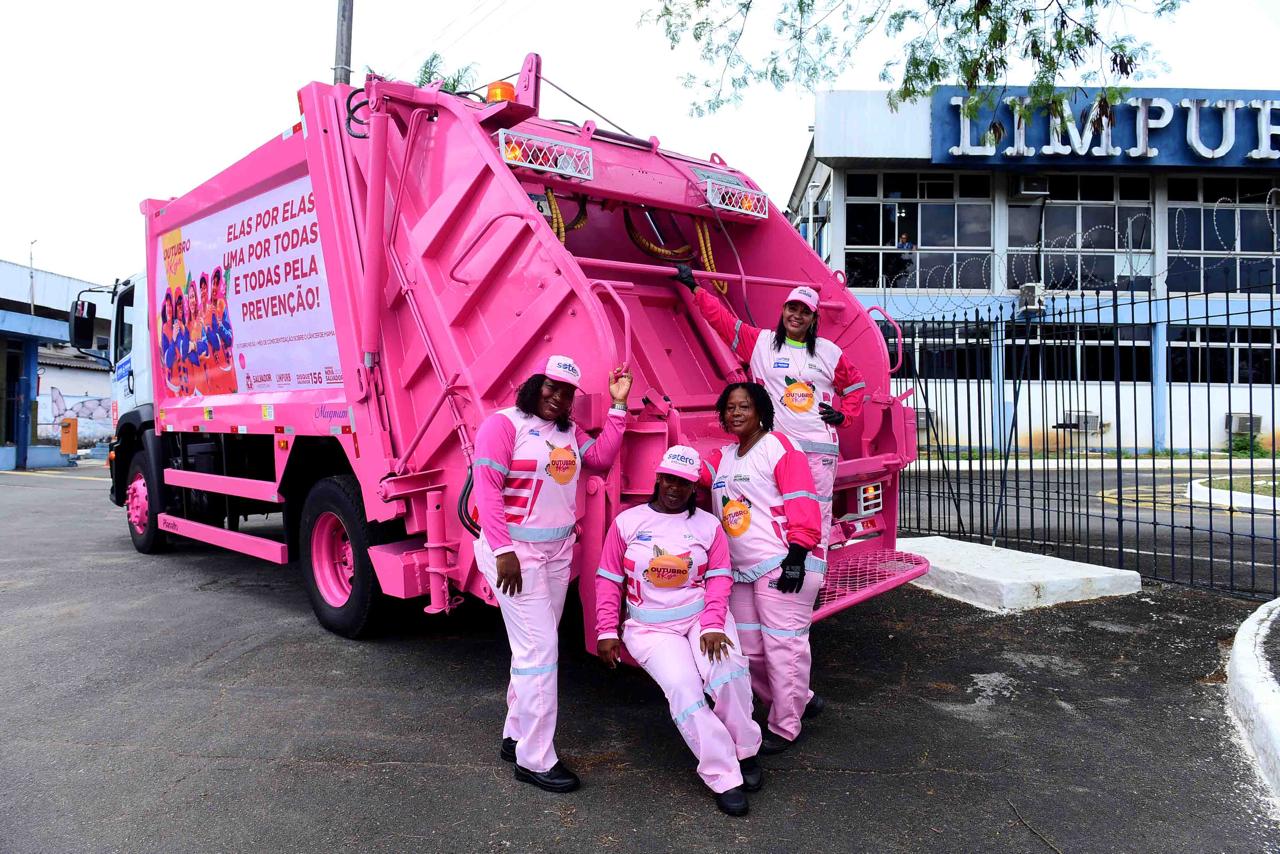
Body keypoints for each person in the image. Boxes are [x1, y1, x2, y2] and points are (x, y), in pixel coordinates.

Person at [472, 355, 632, 793]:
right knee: (540, 652)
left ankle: (514, 733)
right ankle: (535, 758)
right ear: (534, 384)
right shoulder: (503, 425)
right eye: (551, 387)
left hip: (558, 551)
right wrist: (503, 550)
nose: (557, 397)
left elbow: (598, 460)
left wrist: (618, 408)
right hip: (515, 553)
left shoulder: (568, 431)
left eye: (566, 393)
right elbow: (487, 491)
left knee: (531, 649)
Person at [675, 265, 864, 601]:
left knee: (816, 515)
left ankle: (812, 585)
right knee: (779, 511)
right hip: (777, 449)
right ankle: (782, 571)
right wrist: (694, 288)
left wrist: (843, 415)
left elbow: (857, 385)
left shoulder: (828, 352)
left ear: (813, 319)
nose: (797, 316)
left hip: (818, 450)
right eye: (793, 308)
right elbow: (723, 322)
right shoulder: (760, 343)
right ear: (783, 311)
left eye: (805, 312)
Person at [595, 445, 763, 816]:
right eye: (669, 479)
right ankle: (723, 775)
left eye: (684, 483)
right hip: (650, 628)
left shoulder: (708, 525)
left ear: (693, 488)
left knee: (728, 671)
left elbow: (719, 578)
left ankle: (745, 750)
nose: (675, 488)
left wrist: (714, 625)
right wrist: (606, 630)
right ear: (657, 479)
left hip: (702, 618)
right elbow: (608, 579)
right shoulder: (628, 522)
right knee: (685, 691)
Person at [699, 382, 823, 754]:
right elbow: (692, 475)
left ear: (761, 411)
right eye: (730, 408)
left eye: (745, 407)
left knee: (784, 649)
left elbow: (802, 499)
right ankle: (800, 700)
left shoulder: (780, 447)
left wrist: (797, 558)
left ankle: (786, 726)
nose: (736, 413)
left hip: (783, 565)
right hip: (740, 572)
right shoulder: (725, 457)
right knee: (750, 651)